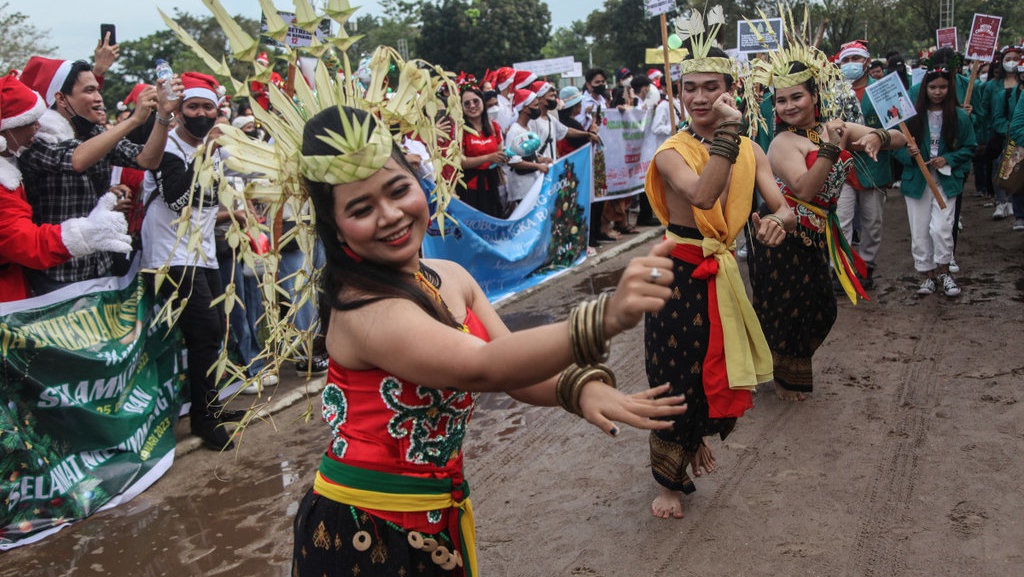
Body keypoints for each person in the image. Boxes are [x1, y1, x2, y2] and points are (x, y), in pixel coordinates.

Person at [291, 103, 687, 576]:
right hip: (364, 528)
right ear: (335, 229)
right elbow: (485, 366)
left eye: (398, 189)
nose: (391, 214)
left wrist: (580, 389)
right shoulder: (362, 309)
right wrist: (602, 318)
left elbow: (513, 375)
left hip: (438, 511)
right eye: (361, 209)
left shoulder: (451, 276)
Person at [642, 39, 796, 519]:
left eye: (712, 87)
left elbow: (784, 206)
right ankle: (669, 482)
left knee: (713, 371)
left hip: (722, 269)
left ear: (732, 90)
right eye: (690, 88)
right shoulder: (672, 152)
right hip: (675, 273)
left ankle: (694, 441)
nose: (700, 97)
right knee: (670, 377)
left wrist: (779, 223)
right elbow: (704, 196)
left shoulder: (752, 149)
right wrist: (731, 132)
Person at [746, 32, 906, 402]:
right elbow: (803, 189)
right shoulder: (783, 143)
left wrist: (877, 138)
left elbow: (897, 139)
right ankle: (786, 377)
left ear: (814, 96)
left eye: (796, 97)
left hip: (817, 233)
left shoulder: (832, 127)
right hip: (782, 231)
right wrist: (833, 148)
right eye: (781, 100)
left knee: (821, 307)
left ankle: (778, 366)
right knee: (784, 307)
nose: (788, 106)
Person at [140, 72, 244, 450]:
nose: (201, 113)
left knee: (215, 329)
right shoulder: (168, 147)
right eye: (193, 106)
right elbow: (177, 200)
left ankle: (209, 403)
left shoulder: (215, 148)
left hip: (204, 255)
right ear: (180, 112)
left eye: (207, 107)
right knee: (204, 333)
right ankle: (203, 418)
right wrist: (208, 153)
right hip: (170, 255)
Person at [17, 56, 178, 293]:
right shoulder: (36, 139)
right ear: (61, 98)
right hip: (57, 272)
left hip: (100, 264)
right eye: (90, 90)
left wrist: (163, 116)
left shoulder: (94, 132)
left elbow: (147, 159)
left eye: (98, 90)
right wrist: (134, 120)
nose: (99, 98)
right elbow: (77, 160)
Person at [0, 72, 131, 302]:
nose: (38, 127)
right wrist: (85, 232)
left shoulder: (11, 160)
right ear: (8, 128)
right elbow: (24, 242)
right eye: (30, 121)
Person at [894, 65, 976, 297]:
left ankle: (944, 271)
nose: (937, 92)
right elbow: (895, 147)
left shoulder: (959, 115)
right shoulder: (910, 117)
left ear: (949, 88)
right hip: (917, 181)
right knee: (919, 231)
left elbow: (970, 147)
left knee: (941, 228)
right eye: (932, 87)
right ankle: (927, 276)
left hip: (946, 181)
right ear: (924, 88)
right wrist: (909, 155)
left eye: (942, 87)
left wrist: (948, 158)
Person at [835, 40, 891, 290]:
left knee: (872, 222)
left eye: (855, 59)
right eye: (845, 61)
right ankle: (841, 270)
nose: (850, 65)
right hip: (841, 169)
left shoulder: (882, 91)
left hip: (872, 168)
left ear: (867, 62)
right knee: (841, 221)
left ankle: (867, 266)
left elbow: (896, 125)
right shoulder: (833, 93)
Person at [457, 86, 505, 217]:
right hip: (470, 189)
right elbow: (460, 161)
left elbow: (499, 153)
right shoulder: (460, 131)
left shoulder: (493, 127)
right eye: (466, 103)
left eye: (475, 101)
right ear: (461, 107)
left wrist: (505, 157)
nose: (472, 106)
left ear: (482, 102)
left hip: (493, 184)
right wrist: (488, 157)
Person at [502, 88, 551, 216]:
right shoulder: (515, 131)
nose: (538, 108)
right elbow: (513, 162)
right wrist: (538, 166)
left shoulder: (527, 127)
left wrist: (542, 160)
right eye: (535, 105)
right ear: (524, 108)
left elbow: (528, 156)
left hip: (531, 185)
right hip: (521, 188)